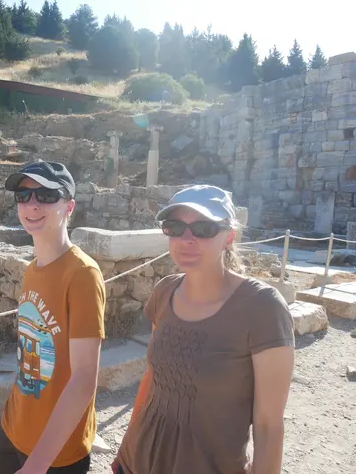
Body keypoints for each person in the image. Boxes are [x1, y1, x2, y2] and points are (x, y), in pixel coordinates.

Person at [113, 185, 295, 474]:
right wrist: (124, 452)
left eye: (204, 229)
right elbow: (153, 381)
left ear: (229, 237)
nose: (187, 239)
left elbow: (268, 425)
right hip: (136, 461)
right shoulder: (164, 291)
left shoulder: (262, 307)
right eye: (175, 227)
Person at [0, 161, 106, 474]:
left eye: (47, 196)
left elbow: (84, 378)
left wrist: (36, 466)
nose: (32, 205)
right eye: (24, 195)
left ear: (69, 206)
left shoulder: (82, 274)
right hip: (13, 426)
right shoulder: (32, 269)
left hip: (55, 453)